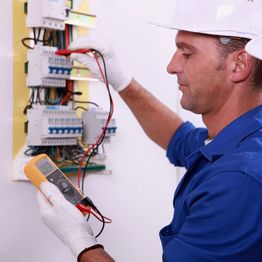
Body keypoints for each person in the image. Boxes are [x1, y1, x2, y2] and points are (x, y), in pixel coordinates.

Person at [36, 0, 262, 261]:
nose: (171, 66)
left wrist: (82, 243)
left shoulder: (239, 180)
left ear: (238, 65)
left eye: (187, 53)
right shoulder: (240, 137)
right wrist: (122, 82)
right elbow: (178, 138)